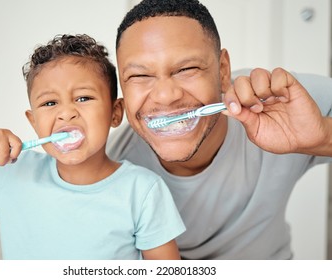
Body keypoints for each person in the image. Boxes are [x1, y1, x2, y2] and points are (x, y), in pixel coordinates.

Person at [107, 0, 332, 259]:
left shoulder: (278, 102)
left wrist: (323, 136)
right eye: (140, 76)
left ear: (223, 70)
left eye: (186, 69)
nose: (166, 96)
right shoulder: (113, 169)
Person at [0, 34, 185, 260]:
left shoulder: (142, 191)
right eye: (50, 103)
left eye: (83, 98)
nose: (66, 113)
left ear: (115, 113)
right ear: (34, 122)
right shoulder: (12, 172)